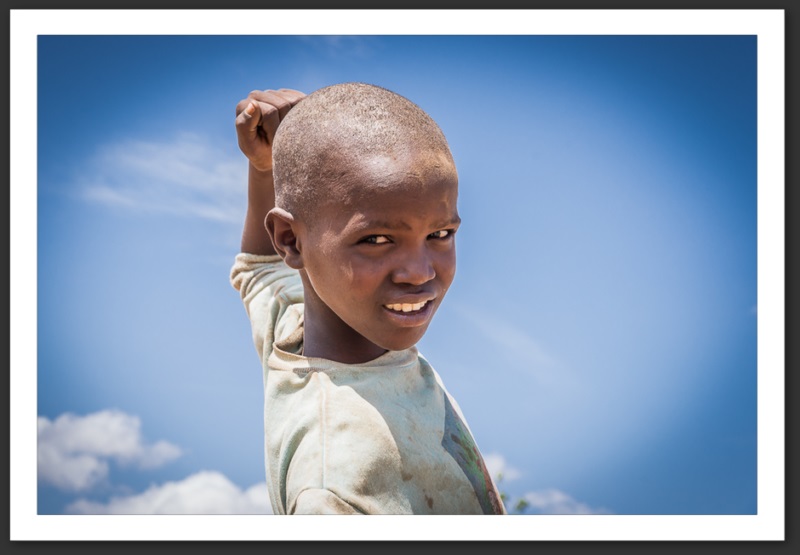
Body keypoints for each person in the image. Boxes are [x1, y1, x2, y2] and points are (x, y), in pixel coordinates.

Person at [229, 83, 506, 515]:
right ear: (291, 240)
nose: (419, 272)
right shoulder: (335, 485)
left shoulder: (291, 328)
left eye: (440, 235)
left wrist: (266, 167)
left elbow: (259, 268)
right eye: (376, 239)